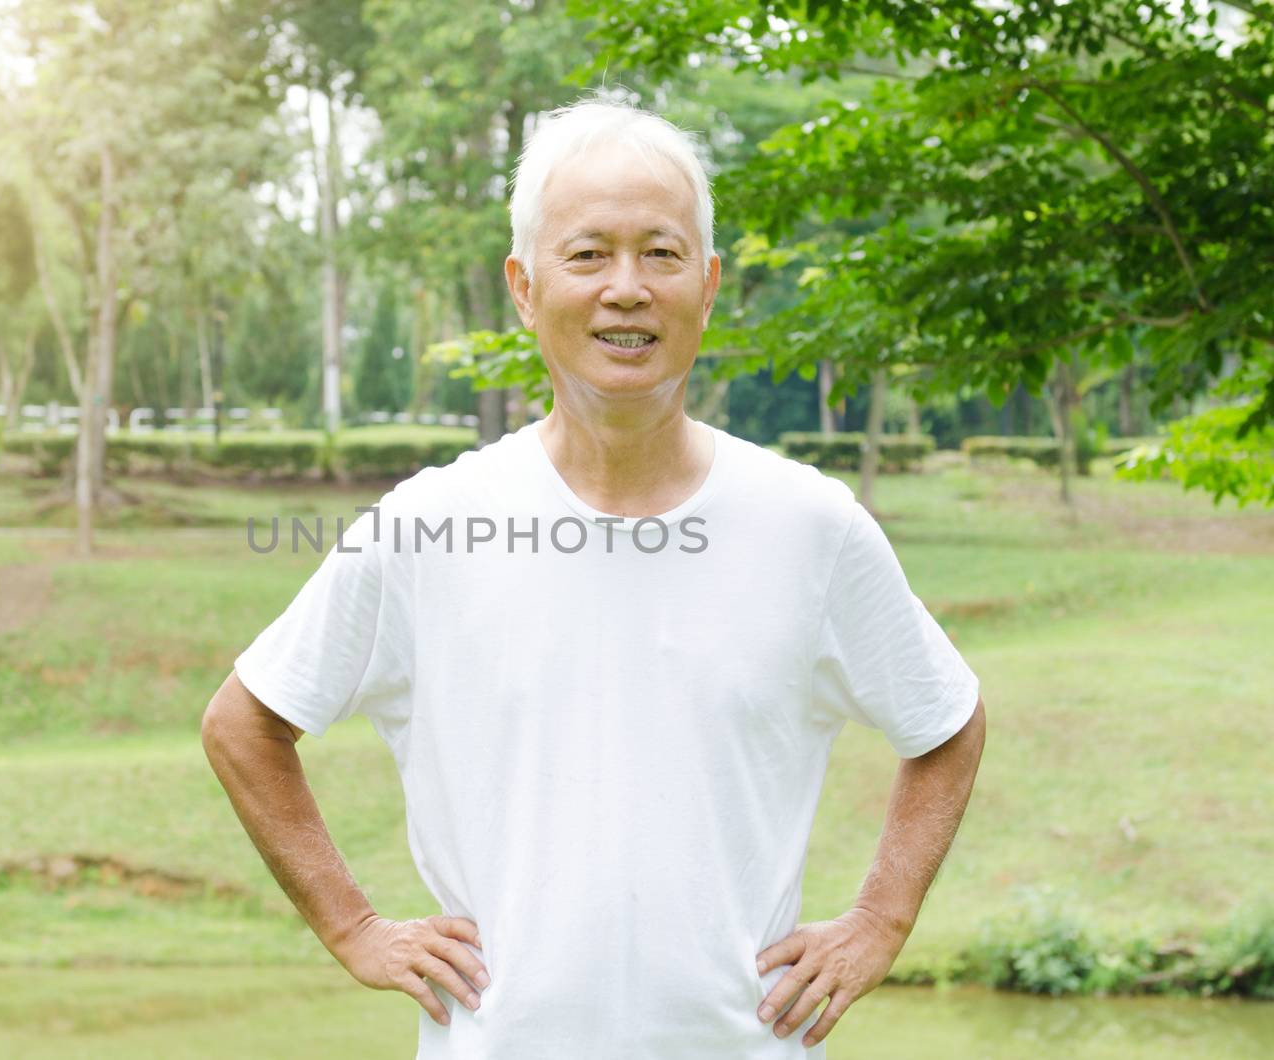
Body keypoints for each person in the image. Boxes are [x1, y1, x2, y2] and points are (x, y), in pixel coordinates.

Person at [201, 96, 986, 1059]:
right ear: (525, 289)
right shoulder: (429, 526)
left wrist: (880, 921)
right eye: (587, 255)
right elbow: (245, 724)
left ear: (708, 284)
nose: (626, 288)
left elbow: (946, 720)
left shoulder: (811, 527)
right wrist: (355, 927)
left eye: (660, 254)